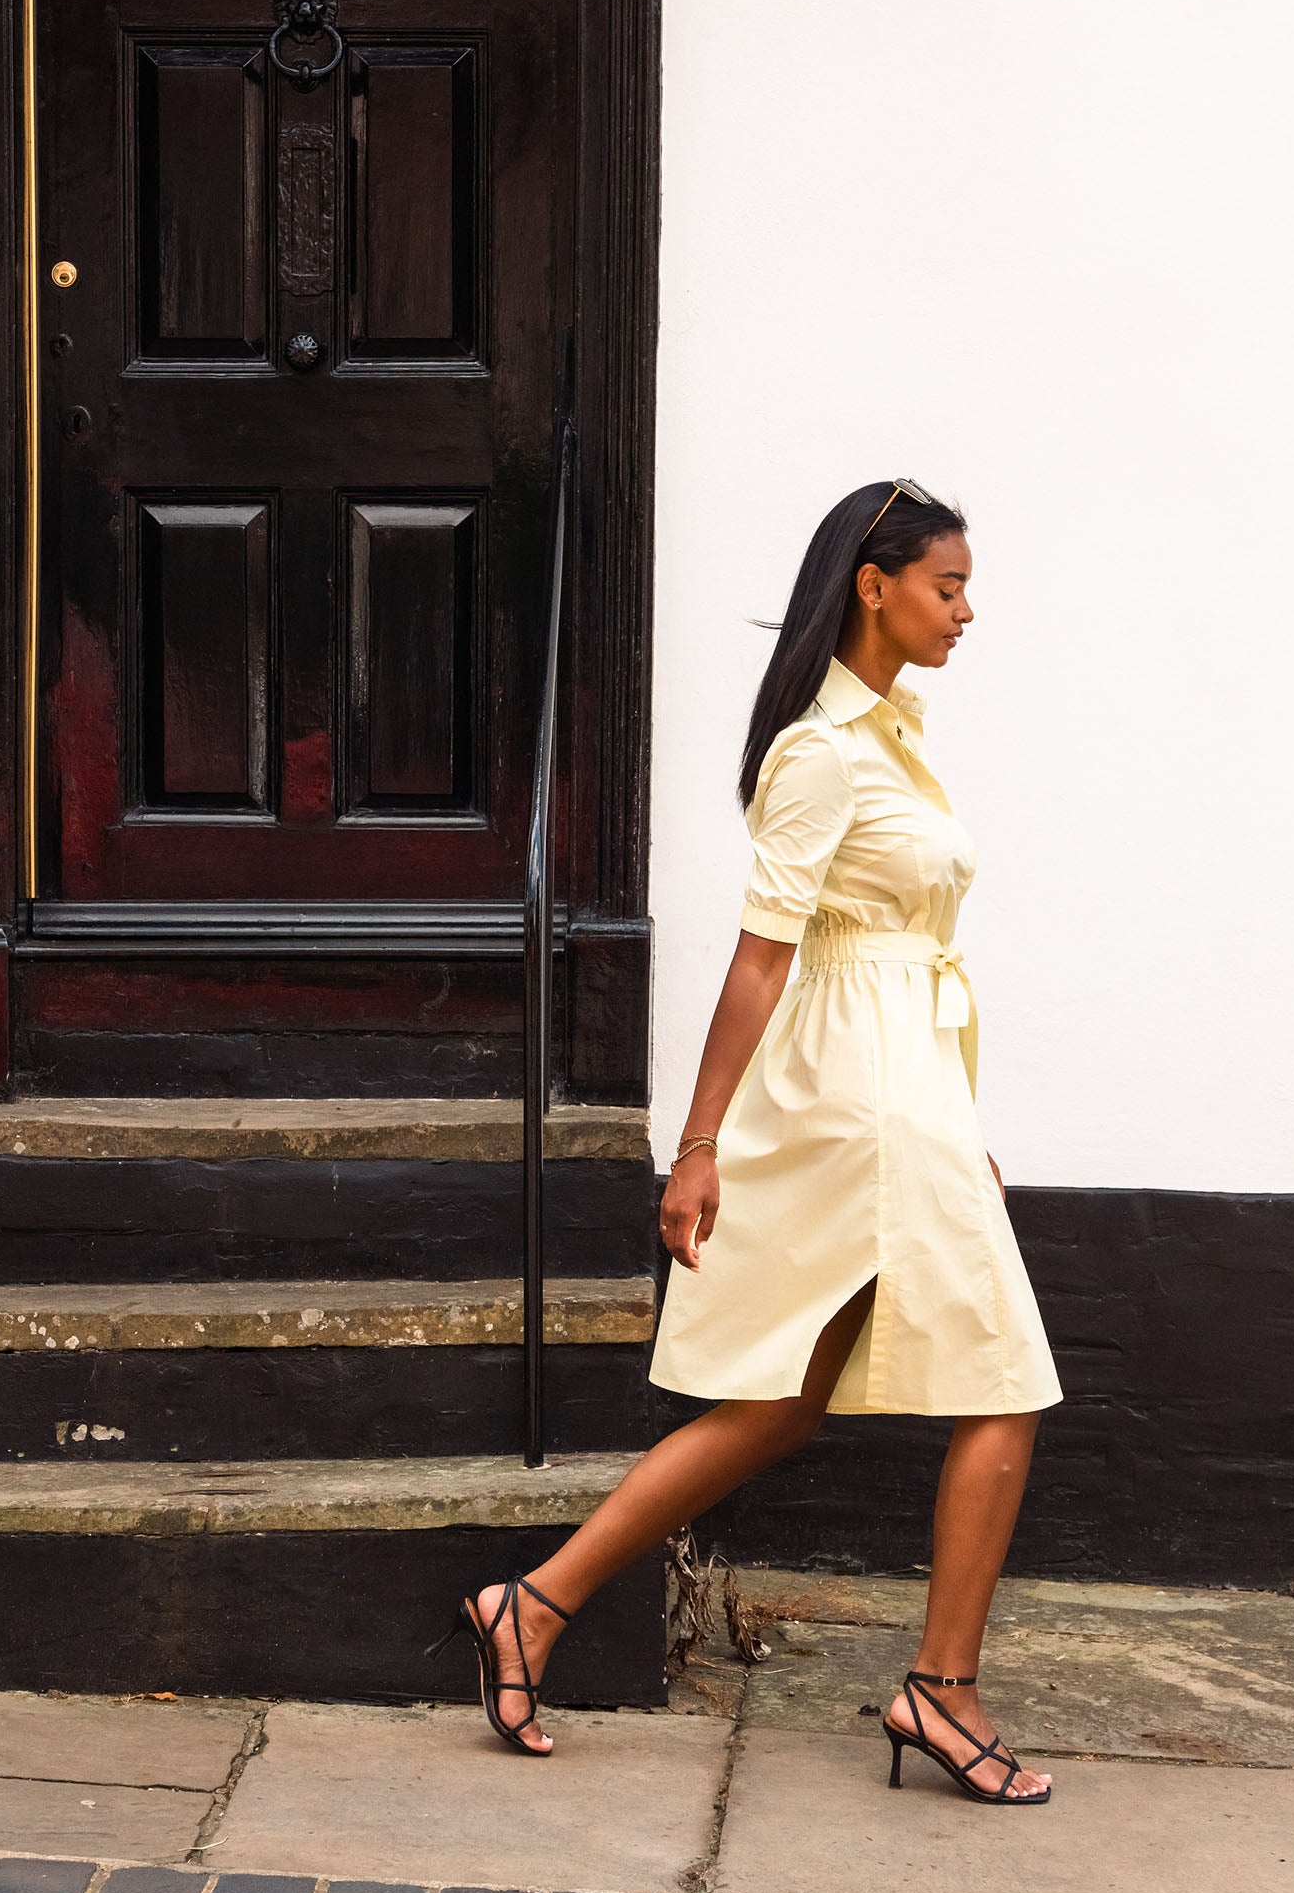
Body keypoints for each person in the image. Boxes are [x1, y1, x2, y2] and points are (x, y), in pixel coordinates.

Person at [443, 478, 1063, 1801]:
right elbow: (761, 961)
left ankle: (535, 1604)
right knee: (1003, 1388)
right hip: (862, 1102)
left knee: (782, 1403)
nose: (968, 610)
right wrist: (696, 1147)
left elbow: (902, 960)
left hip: (902, 1096)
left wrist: (959, 1127)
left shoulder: (889, 736)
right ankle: (941, 1693)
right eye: (948, 585)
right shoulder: (823, 754)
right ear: (874, 585)